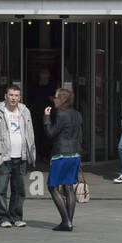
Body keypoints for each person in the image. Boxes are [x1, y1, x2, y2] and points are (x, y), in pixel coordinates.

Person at [0, 84, 35, 228]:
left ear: (20, 97)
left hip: (21, 157)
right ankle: (2, 218)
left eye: (16, 95)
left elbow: (30, 132)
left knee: (19, 190)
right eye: (11, 95)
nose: (13, 98)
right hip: (3, 157)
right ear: (5, 96)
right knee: (0, 190)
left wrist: (31, 150)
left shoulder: (25, 112)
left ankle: (16, 217)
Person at [43, 88, 83, 231]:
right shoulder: (77, 114)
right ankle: (69, 221)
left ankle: (66, 221)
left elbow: (50, 133)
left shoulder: (61, 115)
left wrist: (47, 118)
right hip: (74, 154)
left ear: (62, 99)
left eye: (56, 97)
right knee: (68, 187)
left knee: (52, 186)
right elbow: (80, 136)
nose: (54, 99)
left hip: (61, 154)